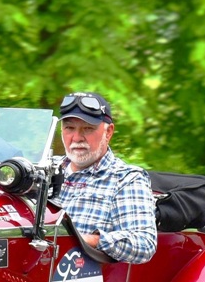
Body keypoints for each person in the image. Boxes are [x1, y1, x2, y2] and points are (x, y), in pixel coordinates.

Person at [53, 91, 157, 264]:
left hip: (86, 279)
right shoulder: (43, 170)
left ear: (108, 132)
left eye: (87, 128)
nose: (77, 138)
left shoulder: (126, 179)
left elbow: (144, 243)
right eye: (69, 128)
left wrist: (86, 240)